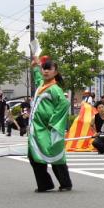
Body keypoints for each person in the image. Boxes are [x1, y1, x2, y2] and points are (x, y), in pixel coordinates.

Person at [28, 55, 72, 193]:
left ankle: (65, 183)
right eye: (44, 69)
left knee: (56, 155)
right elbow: (37, 76)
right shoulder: (42, 84)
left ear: (55, 71)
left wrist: (53, 123)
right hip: (37, 128)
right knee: (34, 156)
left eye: (49, 69)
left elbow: (64, 104)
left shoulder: (55, 89)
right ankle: (45, 184)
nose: (45, 71)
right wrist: (35, 65)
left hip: (49, 128)